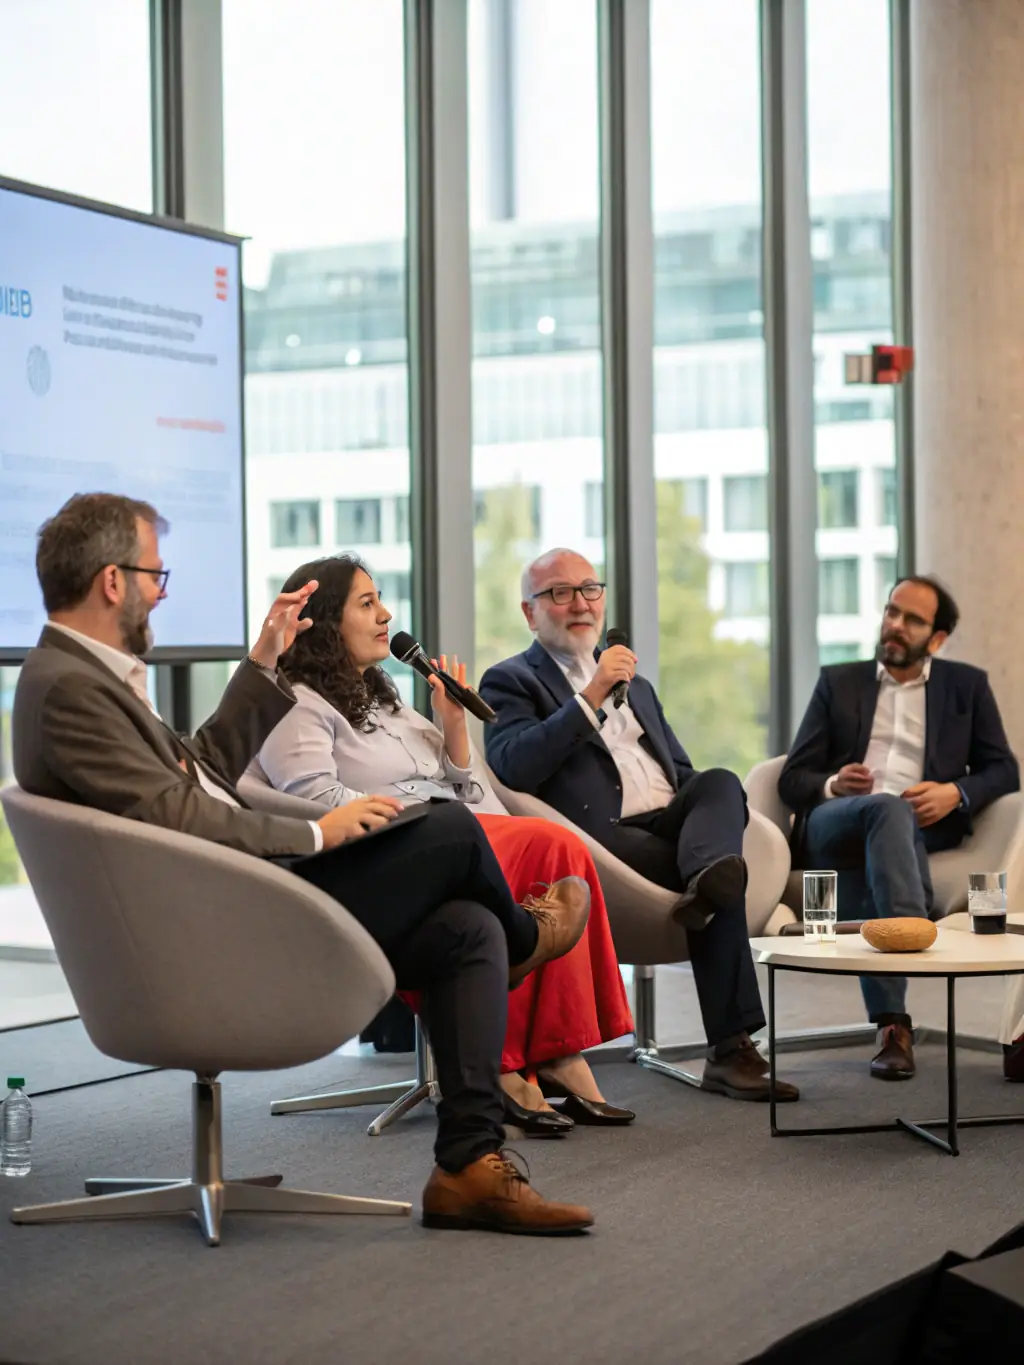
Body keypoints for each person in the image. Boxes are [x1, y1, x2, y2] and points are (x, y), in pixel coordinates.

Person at [12, 492, 594, 1236]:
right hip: (207, 936)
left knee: (468, 927)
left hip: (229, 903)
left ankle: (468, 1167)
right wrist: (320, 833)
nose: (162, 591)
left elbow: (199, 772)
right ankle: (527, 939)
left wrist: (261, 661)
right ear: (113, 581)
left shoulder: (89, 677)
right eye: (157, 575)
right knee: (451, 833)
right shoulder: (67, 688)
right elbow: (178, 815)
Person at [256, 554, 636, 1133]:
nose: (386, 615)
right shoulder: (297, 701)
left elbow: (474, 791)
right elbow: (312, 798)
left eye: (381, 599)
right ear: (327, 621)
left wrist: (454, 727)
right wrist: (420, 815)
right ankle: (508, 1062)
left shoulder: (385, 696)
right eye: (367, 604)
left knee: (557, 848)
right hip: (389, 850)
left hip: (457, 830)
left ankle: (559, 1053)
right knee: (541, 847)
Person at [479, 547, 799, 1104]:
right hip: (604, 842)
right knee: (723, 872)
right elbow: (513, 765)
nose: (580, 603)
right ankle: (731, 1048)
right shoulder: (510, 680)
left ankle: (709, 875)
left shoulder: (638, 685)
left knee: (719, 781)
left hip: (672, 828)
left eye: (589, 589)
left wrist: (710, 813)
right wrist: (593, 695)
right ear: (531, 613)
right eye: (559, 592)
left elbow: (681, 773)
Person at [779, 575, 1020, 1081]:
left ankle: (893, 1027)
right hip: (836, 823)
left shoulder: (966, 687)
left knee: (888, 836)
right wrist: (831, 784)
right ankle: (914, 919)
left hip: (912, 834)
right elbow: (791, 779)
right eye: (892, 611)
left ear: (937, 638)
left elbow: (1004, 769)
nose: (895, 625)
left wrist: (955, 792)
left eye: (911, 619)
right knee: (886, 808)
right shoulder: (838, 681)